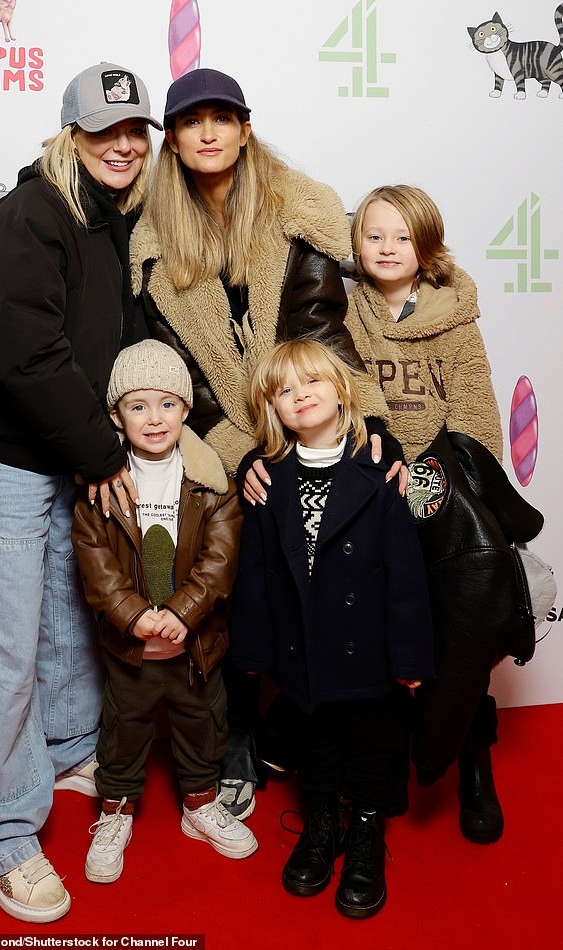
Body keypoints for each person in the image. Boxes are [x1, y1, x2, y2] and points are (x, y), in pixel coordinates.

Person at [129, 67, 398, 819]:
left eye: (223, 117)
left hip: (306, 405)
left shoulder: (297, 213)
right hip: (217, 429)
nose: (208, 132)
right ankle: (241, 726)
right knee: (232, 542)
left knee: (362, 516)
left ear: (246, 129)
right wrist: (242, 454)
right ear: (174, 141)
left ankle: (352, 722)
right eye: (191, 121)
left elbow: (321, 329)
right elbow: (184, 378)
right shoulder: (152, 245)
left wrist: (364, 420)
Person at [0, 62, 161, 922]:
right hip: (11, 457)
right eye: (104, 129)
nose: (123, 144)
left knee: (68, 617)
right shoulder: (33, 214)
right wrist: (104, 451)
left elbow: (108, 335)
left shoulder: (107, 217)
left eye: (134, 130)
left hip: (68, 451)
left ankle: (68, 750)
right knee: (4, 646)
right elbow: (24, 354)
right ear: (71, 133)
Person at [229, 339, 433, 919]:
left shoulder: (381, 472)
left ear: (342, 391)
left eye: (311, 382)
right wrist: (252, 651)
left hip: (369, 651)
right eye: (284, 391)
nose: (300, 396)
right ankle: (322, 822)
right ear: (273, 410)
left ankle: (366, 830)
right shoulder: (267, 481)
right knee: (315, 745)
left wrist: (410, 660)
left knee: (374, 745)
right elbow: (257, 576)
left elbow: (406, 578)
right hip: (304, 652)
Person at [345, 184, 507, 843]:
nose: (387, 248)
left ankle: (472, 756)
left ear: (427, 247)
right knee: (378, 630)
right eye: (374, 235)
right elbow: (337, 400)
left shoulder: (454, 315)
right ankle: (378, 761)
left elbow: (476, 415)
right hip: (372, 488)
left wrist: (433, 486)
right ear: (355, 244)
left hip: (440, 490)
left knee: (463, 627)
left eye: (402, 237)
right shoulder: (342, 311)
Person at [71, 340, 257, 883]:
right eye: (138, 405)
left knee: (202, 725)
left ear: (185, 409)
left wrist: (184, 612)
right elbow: (96, 561)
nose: (155, 419)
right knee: (123, 730)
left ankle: (200, 807)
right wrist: (131, 614)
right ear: (115, 414)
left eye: (168, 404)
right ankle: (115, 813)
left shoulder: (211, 480)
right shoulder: (100, 486)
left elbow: (220, 558)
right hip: (132, 646)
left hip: (194, 643)